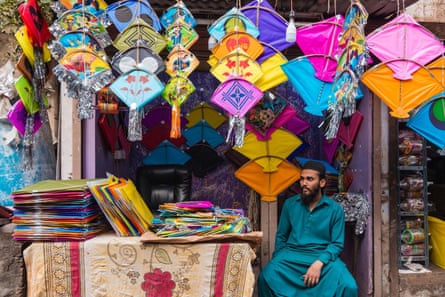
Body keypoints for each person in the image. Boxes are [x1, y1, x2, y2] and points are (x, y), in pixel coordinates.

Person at [257, 160, 358, 297]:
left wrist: (319, 263)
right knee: (266, 277)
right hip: (291, 255)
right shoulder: (290, 204)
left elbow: (336, 244)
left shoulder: (335, 210)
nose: (304, 183)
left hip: (323, 257)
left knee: (349, 286)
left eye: (310, 179)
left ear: (322, 183)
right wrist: (278, 259)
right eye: (302, 179)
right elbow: (281, 236)